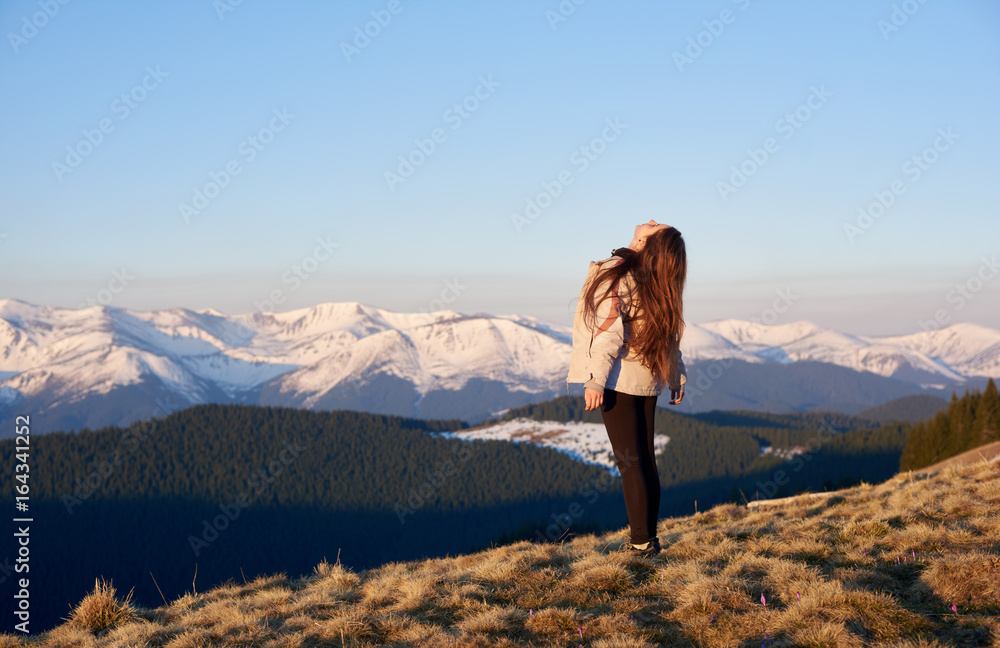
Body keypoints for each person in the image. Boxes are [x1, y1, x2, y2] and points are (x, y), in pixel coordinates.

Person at [566, 220, 687, 556]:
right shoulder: (657, 282)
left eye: (656, 225)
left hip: (618, 379)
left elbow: (608, 332)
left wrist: (594, 379)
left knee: (629, 463)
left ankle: (640, 544)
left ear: (650, 243)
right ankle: (649, 538)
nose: (650, 219)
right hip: (647, 379)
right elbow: (669, 335)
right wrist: (676, 376)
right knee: (644, 459)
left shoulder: (621, 275)